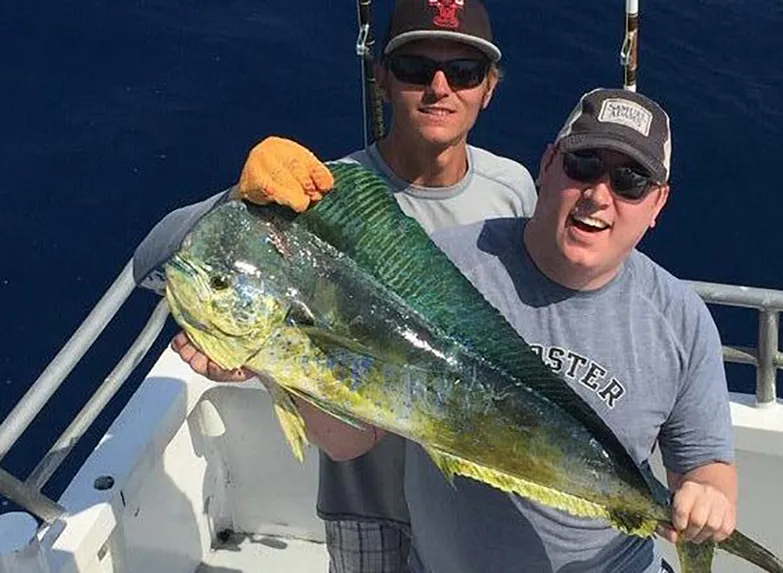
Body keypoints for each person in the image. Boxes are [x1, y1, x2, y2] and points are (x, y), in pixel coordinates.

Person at [131, 1, 536, 571]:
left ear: (489, 88)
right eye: (417, 68)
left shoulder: (514, 190)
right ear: (383, 77)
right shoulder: (322, 193)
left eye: (464, 72)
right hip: (362, 500)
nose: (439, 88)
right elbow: (151, 261)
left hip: (470, 496)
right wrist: (235, 199)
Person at [303, 87, 738, 573]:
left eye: (630, 182)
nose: (598, 195)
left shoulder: (681, 319)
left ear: (658, 204)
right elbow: (346, 440)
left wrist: (708, 497)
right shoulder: (438, 269)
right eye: (584, 164)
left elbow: (706, 466)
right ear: (548, 165)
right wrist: (269, 358)